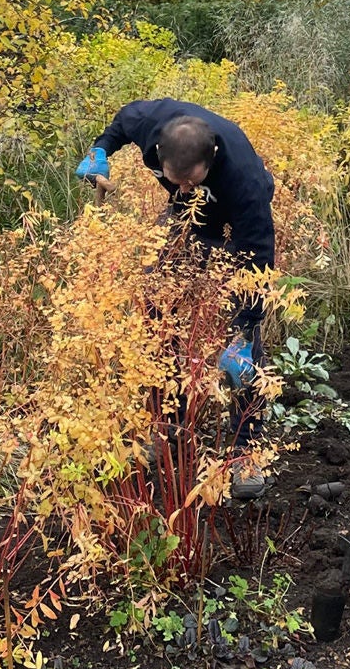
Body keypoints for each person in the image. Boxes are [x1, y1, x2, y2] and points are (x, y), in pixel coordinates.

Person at [75, 99, 276, 499]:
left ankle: (247, 452)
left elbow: (259, 260)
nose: (183, 187)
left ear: (212, 159)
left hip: (233, 231)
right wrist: (99, 150)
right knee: (157, 313)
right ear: (159, 154)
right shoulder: (151, 123)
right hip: (185, 221)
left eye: (192, 181)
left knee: (243, 347)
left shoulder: (244, 181)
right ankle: (168, 427)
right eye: (175, 180)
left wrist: (242, 332)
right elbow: (119, 123)